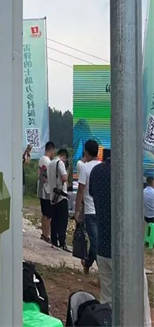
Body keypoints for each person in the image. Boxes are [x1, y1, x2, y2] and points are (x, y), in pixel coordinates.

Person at [90, 155, 152, 327]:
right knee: (139, 301)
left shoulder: (96, 172)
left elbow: (93, 196)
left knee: (108, 302)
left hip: (103, 248)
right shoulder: (129, 174)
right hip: (127, 252)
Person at [75, 139, 100, 274]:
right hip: (96, 210)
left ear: (86, 152)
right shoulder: (102, 166)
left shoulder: (85, 167)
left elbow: (80, 190)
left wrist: (77, 211)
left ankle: (88, 262)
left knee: (96, 243)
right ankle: (96, 267)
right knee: (96, 241)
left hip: (91, 211)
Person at [48, 148, 70, 251]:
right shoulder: (60, 163)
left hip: (53, 196)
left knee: (55, 220)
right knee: (63, 220)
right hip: (61, 196)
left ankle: (54, 241)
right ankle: (62, 242)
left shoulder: (50, 163)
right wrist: (67, 171)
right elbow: (64, 178)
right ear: (64, 156)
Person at [38, 141, 56, 242]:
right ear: (51, 150)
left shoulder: (41, 159)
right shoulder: (48, 162)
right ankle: (46, 235)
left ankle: (44, 234)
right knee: (48, 215)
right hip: (47, 191)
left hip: (41, 190)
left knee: (44, 213)